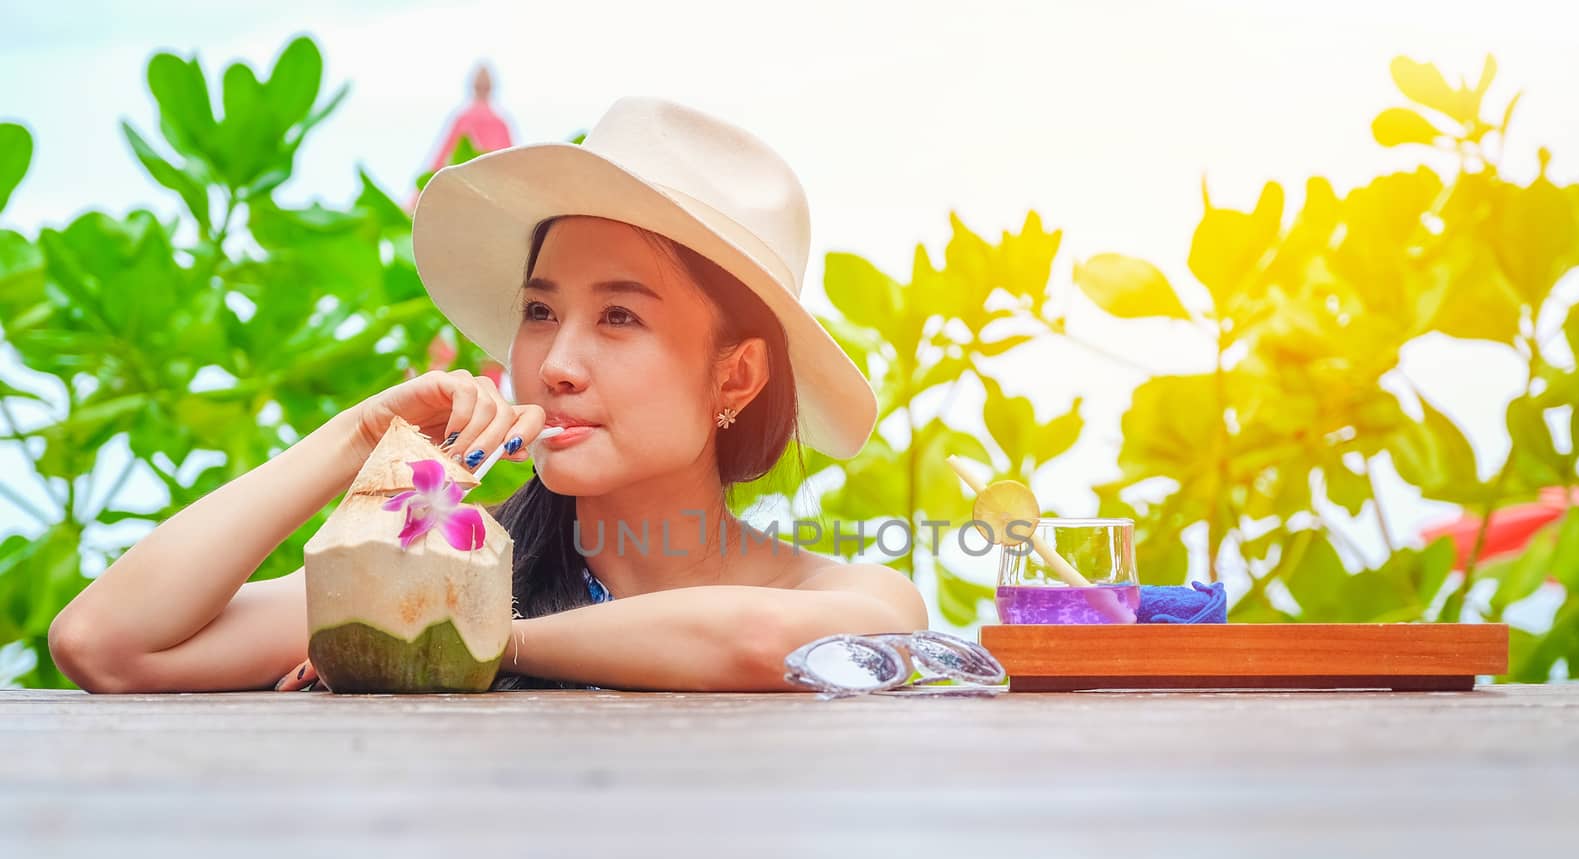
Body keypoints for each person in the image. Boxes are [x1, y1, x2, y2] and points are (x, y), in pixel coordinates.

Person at [47, 96, 928, 694]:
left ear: (734, 374)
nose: (555, 364)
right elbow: (106, 645)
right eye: (540, 310)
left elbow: (768, 644)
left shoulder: (839, 589)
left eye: (619, 316)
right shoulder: (446, 568)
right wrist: (357, 438)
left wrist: (476, 641)